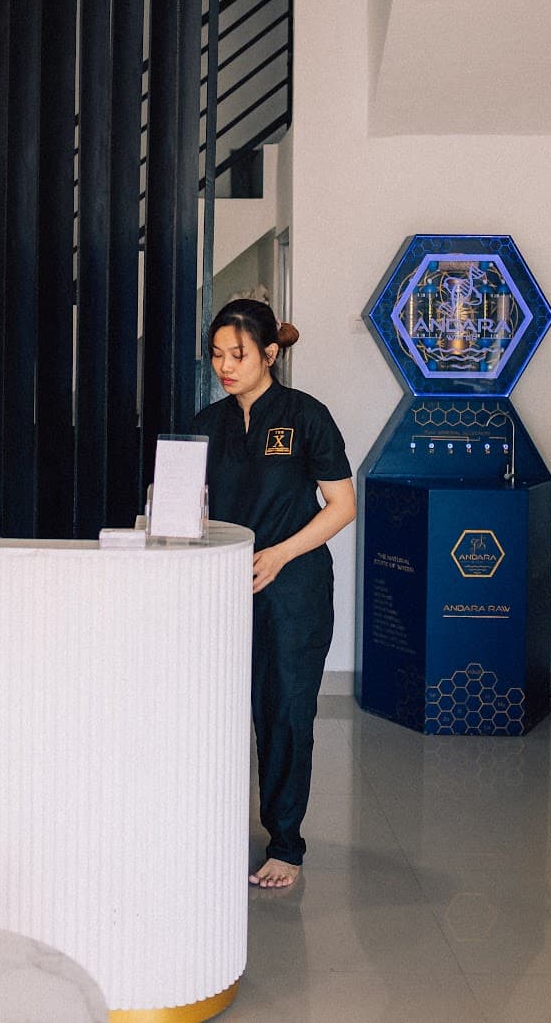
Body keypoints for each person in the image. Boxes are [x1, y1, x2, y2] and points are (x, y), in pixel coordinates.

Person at [190, 298, 356, 889]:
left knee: (284, 711)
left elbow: (342, 507)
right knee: (215, 712)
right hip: (223, 589)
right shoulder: (207, 425)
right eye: (216, 355)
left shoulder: (305, 416)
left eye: (238, 354)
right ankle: (207, 826)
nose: (225, 366)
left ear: (270, 353)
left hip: (295, 588)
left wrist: (282, 553)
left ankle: (285, 843)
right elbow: (192, 508)